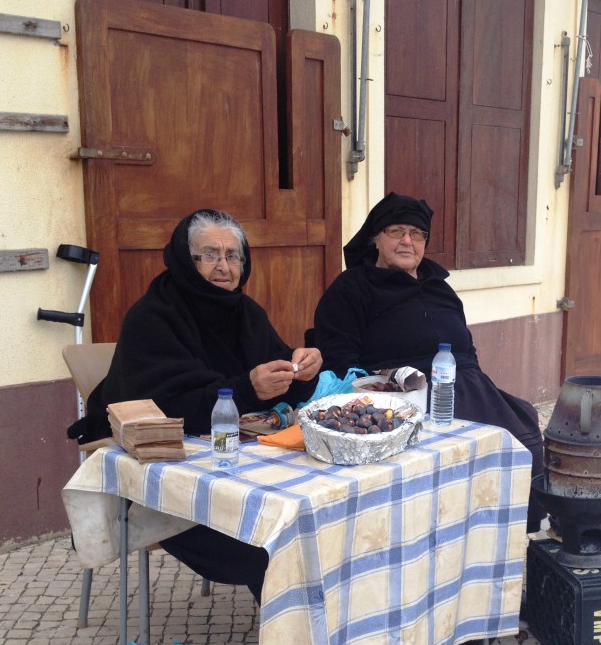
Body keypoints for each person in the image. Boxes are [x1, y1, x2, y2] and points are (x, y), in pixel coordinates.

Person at [68, 208, 322, 602]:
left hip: (237, 461)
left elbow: (277, 383)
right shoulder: (152, 318)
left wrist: (302, 371)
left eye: (233, 256)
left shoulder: (246, 313)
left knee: (315, 515)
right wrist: (248, 388)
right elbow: (171, 408)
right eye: (210, 255)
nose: (224, 267)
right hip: (167, 477)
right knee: (270, 542)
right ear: (187, 260)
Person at [313, 192, 546, 532]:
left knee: (522, 436)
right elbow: (341, 362)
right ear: (376, 238)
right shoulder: (351, 289)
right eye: (396, 231)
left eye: (417, 234)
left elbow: (467, 348)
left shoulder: (439, 287)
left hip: (464, 388)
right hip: (401, 399)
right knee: (447, 469)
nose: (407, 241)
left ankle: (497, 540)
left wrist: (481, 388)